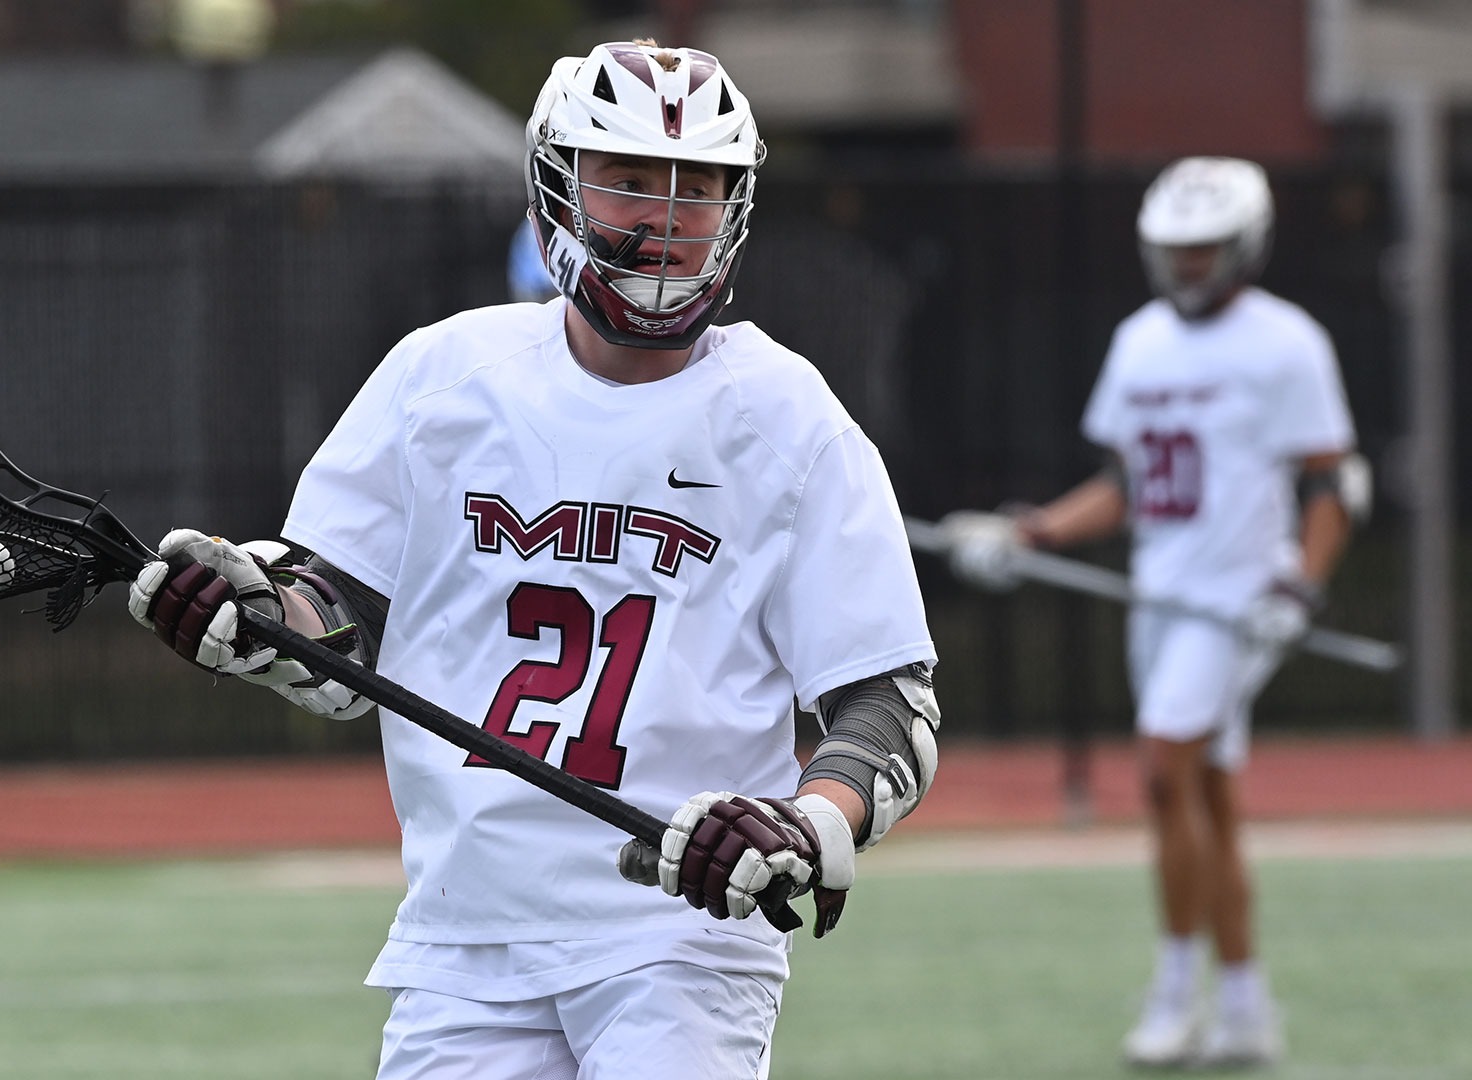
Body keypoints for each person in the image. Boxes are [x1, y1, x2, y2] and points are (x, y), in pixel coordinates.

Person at [128, 40, 940, 1079]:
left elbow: (887, 701)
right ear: (556, 193)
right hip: (466, 933)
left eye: (697, 192)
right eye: (631, 183)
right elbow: (337, 630)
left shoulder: (787, 420)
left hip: (676, 937)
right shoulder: (443, 377)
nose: (663, 220)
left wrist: (804, 820)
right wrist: (245, 614)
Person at [941, 156, 1364, 1070]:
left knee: (1164, 769)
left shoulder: (1287, 342)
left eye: (1207, 250)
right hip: (1160, 596)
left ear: (1245, 246)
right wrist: (1030, 535)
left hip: (1239, 600)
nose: (1189, 266)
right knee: (1205, 790)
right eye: (1177, 250)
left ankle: (1176, 992)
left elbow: (1334, 484)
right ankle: (1246, 1004)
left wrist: (1299, 585)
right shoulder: (1140, 341)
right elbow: (1128, 487)